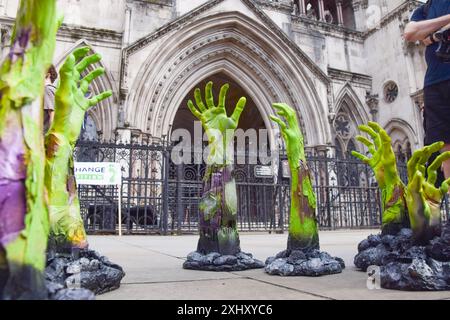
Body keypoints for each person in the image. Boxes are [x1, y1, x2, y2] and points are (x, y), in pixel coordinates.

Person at [404, 0, 450, 187]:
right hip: (434, 81)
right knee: (444, 145)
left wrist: (430, 36)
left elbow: (421, 35)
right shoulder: (424, 9)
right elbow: (410, 33)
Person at [43, 65, 58, 134]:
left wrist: (50, 135)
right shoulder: (54, 90)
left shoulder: (47, 89)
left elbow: (52, 113)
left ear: (48, 75)